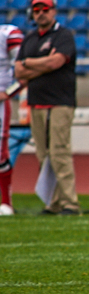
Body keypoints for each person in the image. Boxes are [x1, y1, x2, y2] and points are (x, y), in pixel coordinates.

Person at [15, 0, 77, 215]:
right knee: (43, 155)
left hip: (60, 102)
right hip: (36, 102)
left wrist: (29, 63)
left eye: (45, 9)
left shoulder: (63, 36)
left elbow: (57, 61)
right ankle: (53, 202)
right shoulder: (30, 38)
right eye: (36, 9)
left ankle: (70, 202)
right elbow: (18, 71)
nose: (40, 12)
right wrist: (42, 64)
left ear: (53, 11)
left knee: (59, 152)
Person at [0, 20, 23, 216]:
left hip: (0, 103)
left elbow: (23, 73)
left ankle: (6, 201)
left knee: (0, 152)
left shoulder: (7, 33)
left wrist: (8, 92)